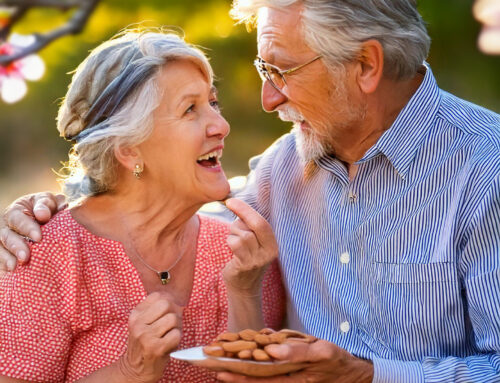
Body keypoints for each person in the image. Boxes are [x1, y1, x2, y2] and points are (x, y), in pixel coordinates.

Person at [2, 1, 500, 382]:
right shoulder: (278, 175)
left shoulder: (485, 172)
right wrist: (49, 207)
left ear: (366, 66)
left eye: (281, 70)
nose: (267, 100)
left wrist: (367, 375)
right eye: (265, 72)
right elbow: (156, 200)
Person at [0, 30, 285, 382]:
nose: (221, 125)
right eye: (190, 109)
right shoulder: (46, 255)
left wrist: (244, 294)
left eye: (213, 103)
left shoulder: (245, 257)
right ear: (130, 149)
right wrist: (129, 371)